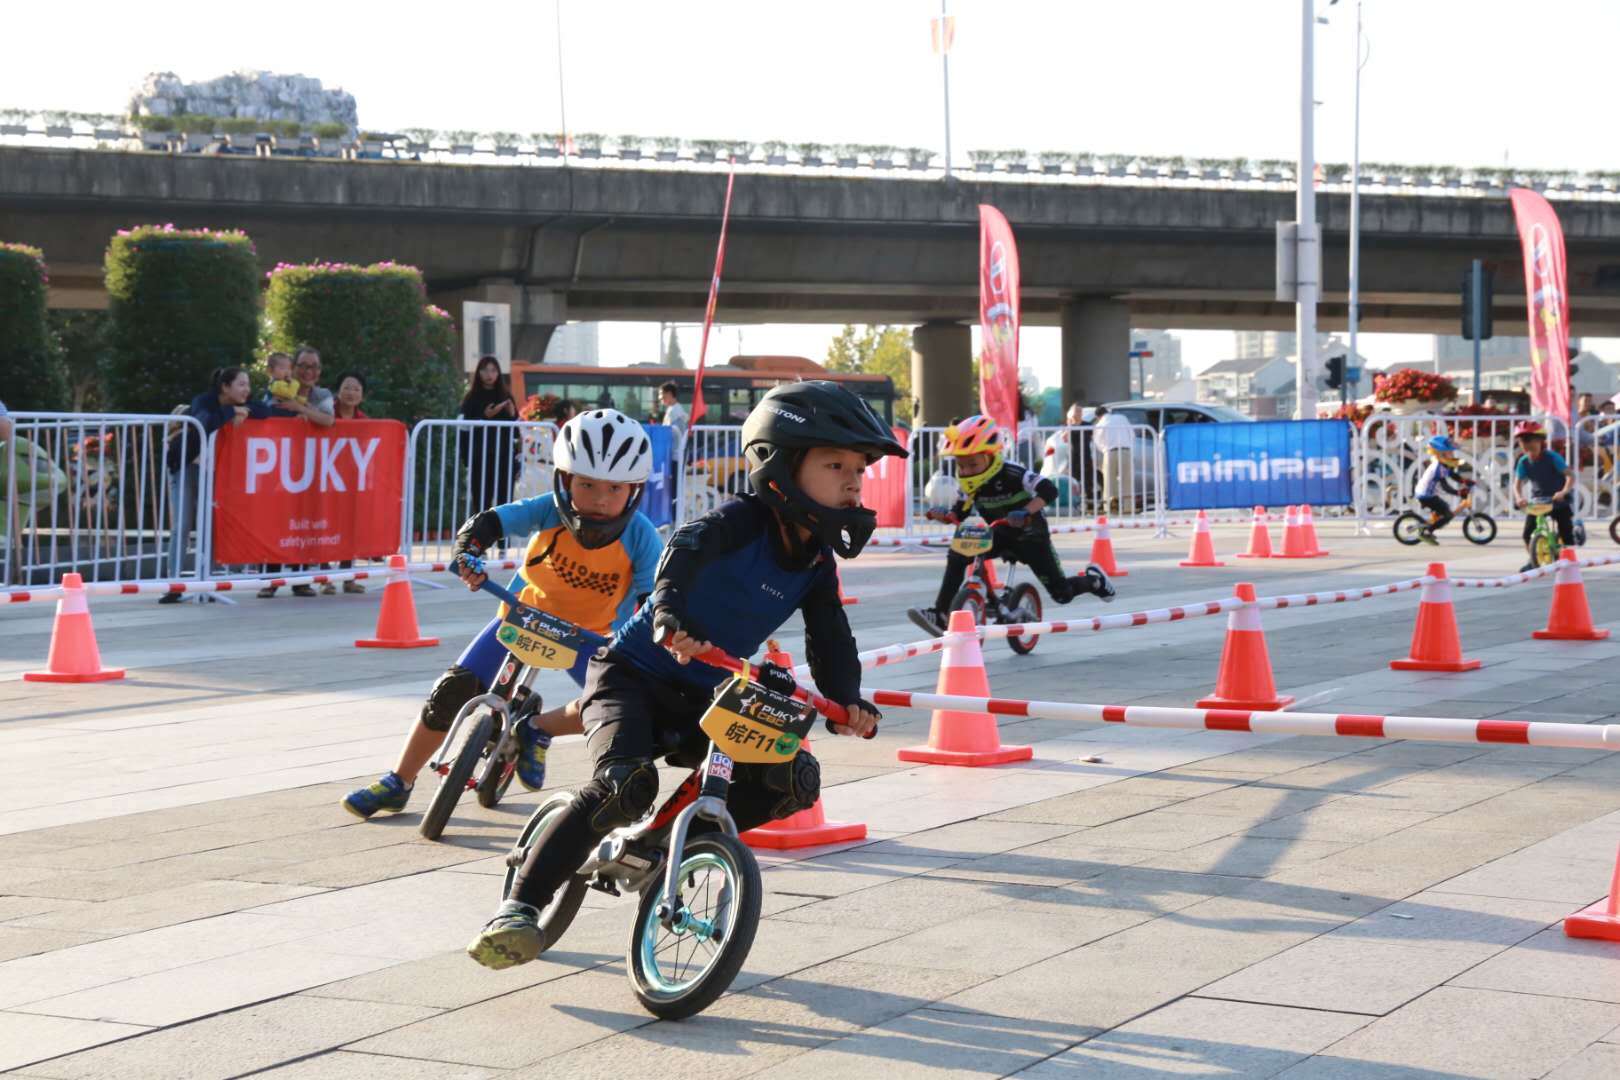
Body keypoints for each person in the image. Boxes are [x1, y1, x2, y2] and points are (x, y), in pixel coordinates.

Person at [465, 381, 897, 970]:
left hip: (705, 691)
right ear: (783, 465)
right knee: (621, 786)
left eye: (859, 469)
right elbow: (685, 548)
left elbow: (829, 633)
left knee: (791, 780)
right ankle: (517, 910)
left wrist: (849, 700)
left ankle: (661, 848)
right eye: (836, 464)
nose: (853, 480)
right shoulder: (745, 521)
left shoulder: (815, 558)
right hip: (631, 676)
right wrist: (668, 614)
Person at [342, 409, 664, 819]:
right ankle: (398, 781)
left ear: (634, 490)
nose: (600, 499)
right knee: (451, 692)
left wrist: (650, 631)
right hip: (523, 616)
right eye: (587, 484)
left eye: (614, 488)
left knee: (616, 708)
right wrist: (468, 550)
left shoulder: (641, 536)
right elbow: (493, 522)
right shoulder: (549, 509)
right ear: (565, 480)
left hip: (590, 636)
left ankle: (536, 729)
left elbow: (652, 596)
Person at [905, 414, 1114, 638]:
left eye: (972, 464)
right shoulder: (969, 484)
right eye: (961, 465)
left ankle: (1094, 580)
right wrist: (944, 515)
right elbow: (960, 513)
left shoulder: (1013, 472)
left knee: (1061, 594)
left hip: (1031, 536)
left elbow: (1048, 490)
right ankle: (941, 614)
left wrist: (1025, 511)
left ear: (991, 456)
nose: (965, 471)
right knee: (958, 553)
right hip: (1000, 533)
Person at [163, 367, 271, 603]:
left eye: (248, 385)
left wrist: (246, 410)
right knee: (182, 523)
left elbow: (265, 411)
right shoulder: (203, 401)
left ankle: (207, 581)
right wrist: (231, 411)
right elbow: (205, 422)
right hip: (186, 464)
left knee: (210, 524)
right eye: (241, 384)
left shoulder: (246, 403)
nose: (247, 390)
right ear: (225, 387)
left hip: (214, 470)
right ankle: (173, 583)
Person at [259, 347, 335, 598]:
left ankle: (300, 580)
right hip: (277, 466)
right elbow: (263, 415)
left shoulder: (322, 394)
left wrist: (300, 408)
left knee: (303, 525)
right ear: (294, 367)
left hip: (311, 469)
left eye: (313, 366)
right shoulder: (276, 387)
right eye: (303, 365)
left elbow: (328, 420)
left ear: (319, 372)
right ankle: (270, 579)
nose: (308, 371)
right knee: (275, 522)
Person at [1513, 421, 1576, 570]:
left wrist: (1564, 491)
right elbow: (1517, 484)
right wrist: (1519, 498)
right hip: (1538, 501)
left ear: (1541, 440)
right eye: (1522, 441)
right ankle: (1533, 560)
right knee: (1527, 534)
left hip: (1557, 499)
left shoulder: (1552, 457)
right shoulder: (1523, 461)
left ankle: (1569, 561)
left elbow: (1570, 476)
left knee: (1566, 533)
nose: (1526, 444)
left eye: (1530, 440)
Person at [329, 372, 370, 594]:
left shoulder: (364, 421)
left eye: (356, 389)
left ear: (362, 396)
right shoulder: (326, 413)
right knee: (325, 525)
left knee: (348, 528)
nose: (351, 392)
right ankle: (325, 577)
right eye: (347, 387)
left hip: (352, 482)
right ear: (338, 391)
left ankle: (348, 576)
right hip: (325, 480)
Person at [460, 355, 519, 510]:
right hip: (479, 456)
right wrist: (485, 417)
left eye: (493, 370)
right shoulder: (471, 398)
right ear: (478, 373)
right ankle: (481, 533)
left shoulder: (506, 396)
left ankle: (502, 534)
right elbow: (464, 428)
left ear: (498, 373)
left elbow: (517, 431)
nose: (489, 374)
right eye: (485, 370)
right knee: (481, 500)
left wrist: (513, 415)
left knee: (504, 500)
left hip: (504, 456)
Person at [1413, 434, 1462, 545]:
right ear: (1441, 454)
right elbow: (1445, 486)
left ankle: (1429, 526)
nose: (1452, 454)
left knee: (1444, 509)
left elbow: (1452, 474)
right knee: (1448, 515)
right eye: (1449, 452)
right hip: (1425, 496)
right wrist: (1458, 492)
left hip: (1428, 494)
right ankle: (1426, 532)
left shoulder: (1442, 464)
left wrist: (1464, 481)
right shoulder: (1438, 467)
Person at [1091, 405, 1135, 514]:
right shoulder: (1122, 418)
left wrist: (1104, 450)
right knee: (1127, 481)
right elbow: (1132, 434)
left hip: (1109, 452)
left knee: (1109, 482)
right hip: (1126, 450)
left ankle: (1111, 509)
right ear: (1108, 412)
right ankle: (1128, 508)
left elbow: (1097, 442)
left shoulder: (1100, 424)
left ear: (1098, 417)